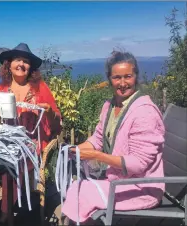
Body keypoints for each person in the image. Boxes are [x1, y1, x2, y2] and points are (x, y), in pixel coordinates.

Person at [61, 50, 166, 224]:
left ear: (136, 77)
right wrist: (76, 150)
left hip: (143, 189)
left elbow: (139, 164)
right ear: (109, 79)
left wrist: (96, 156)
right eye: (117, 77)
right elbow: (98, 139)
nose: (123, 83)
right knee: (76, 187)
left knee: (81, 191)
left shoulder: (145, 112)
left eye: (128, 76)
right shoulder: (110, 105)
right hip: (118, 181)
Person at [0, 43, 62, 225]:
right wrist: (0, 107)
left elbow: (56, 125)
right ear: (9, 64)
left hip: (31, 144)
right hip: (5, 143)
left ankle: (7, 213)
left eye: (26, 61)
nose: (21, 64)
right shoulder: (0, 90)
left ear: (31, 67)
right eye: (17, 60)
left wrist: (49, 113)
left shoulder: (41, 89)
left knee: (12, 165)